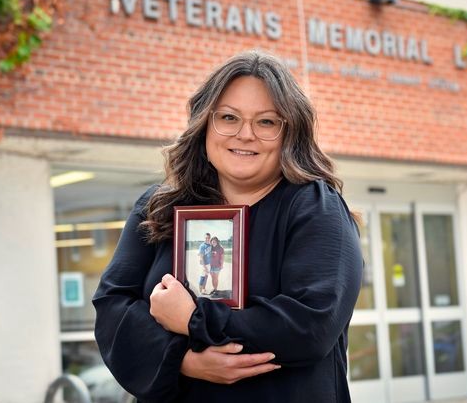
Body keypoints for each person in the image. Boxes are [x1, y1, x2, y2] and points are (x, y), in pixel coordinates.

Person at [92, 50, 363, 403]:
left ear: (289, 134)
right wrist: (183, 360)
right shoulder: (158, 207)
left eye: (267, 122)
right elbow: (113, 309)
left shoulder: (316, 208)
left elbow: (311, 325)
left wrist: (194, 319)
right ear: (205, 125)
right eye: (229, 117)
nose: (245, 134)